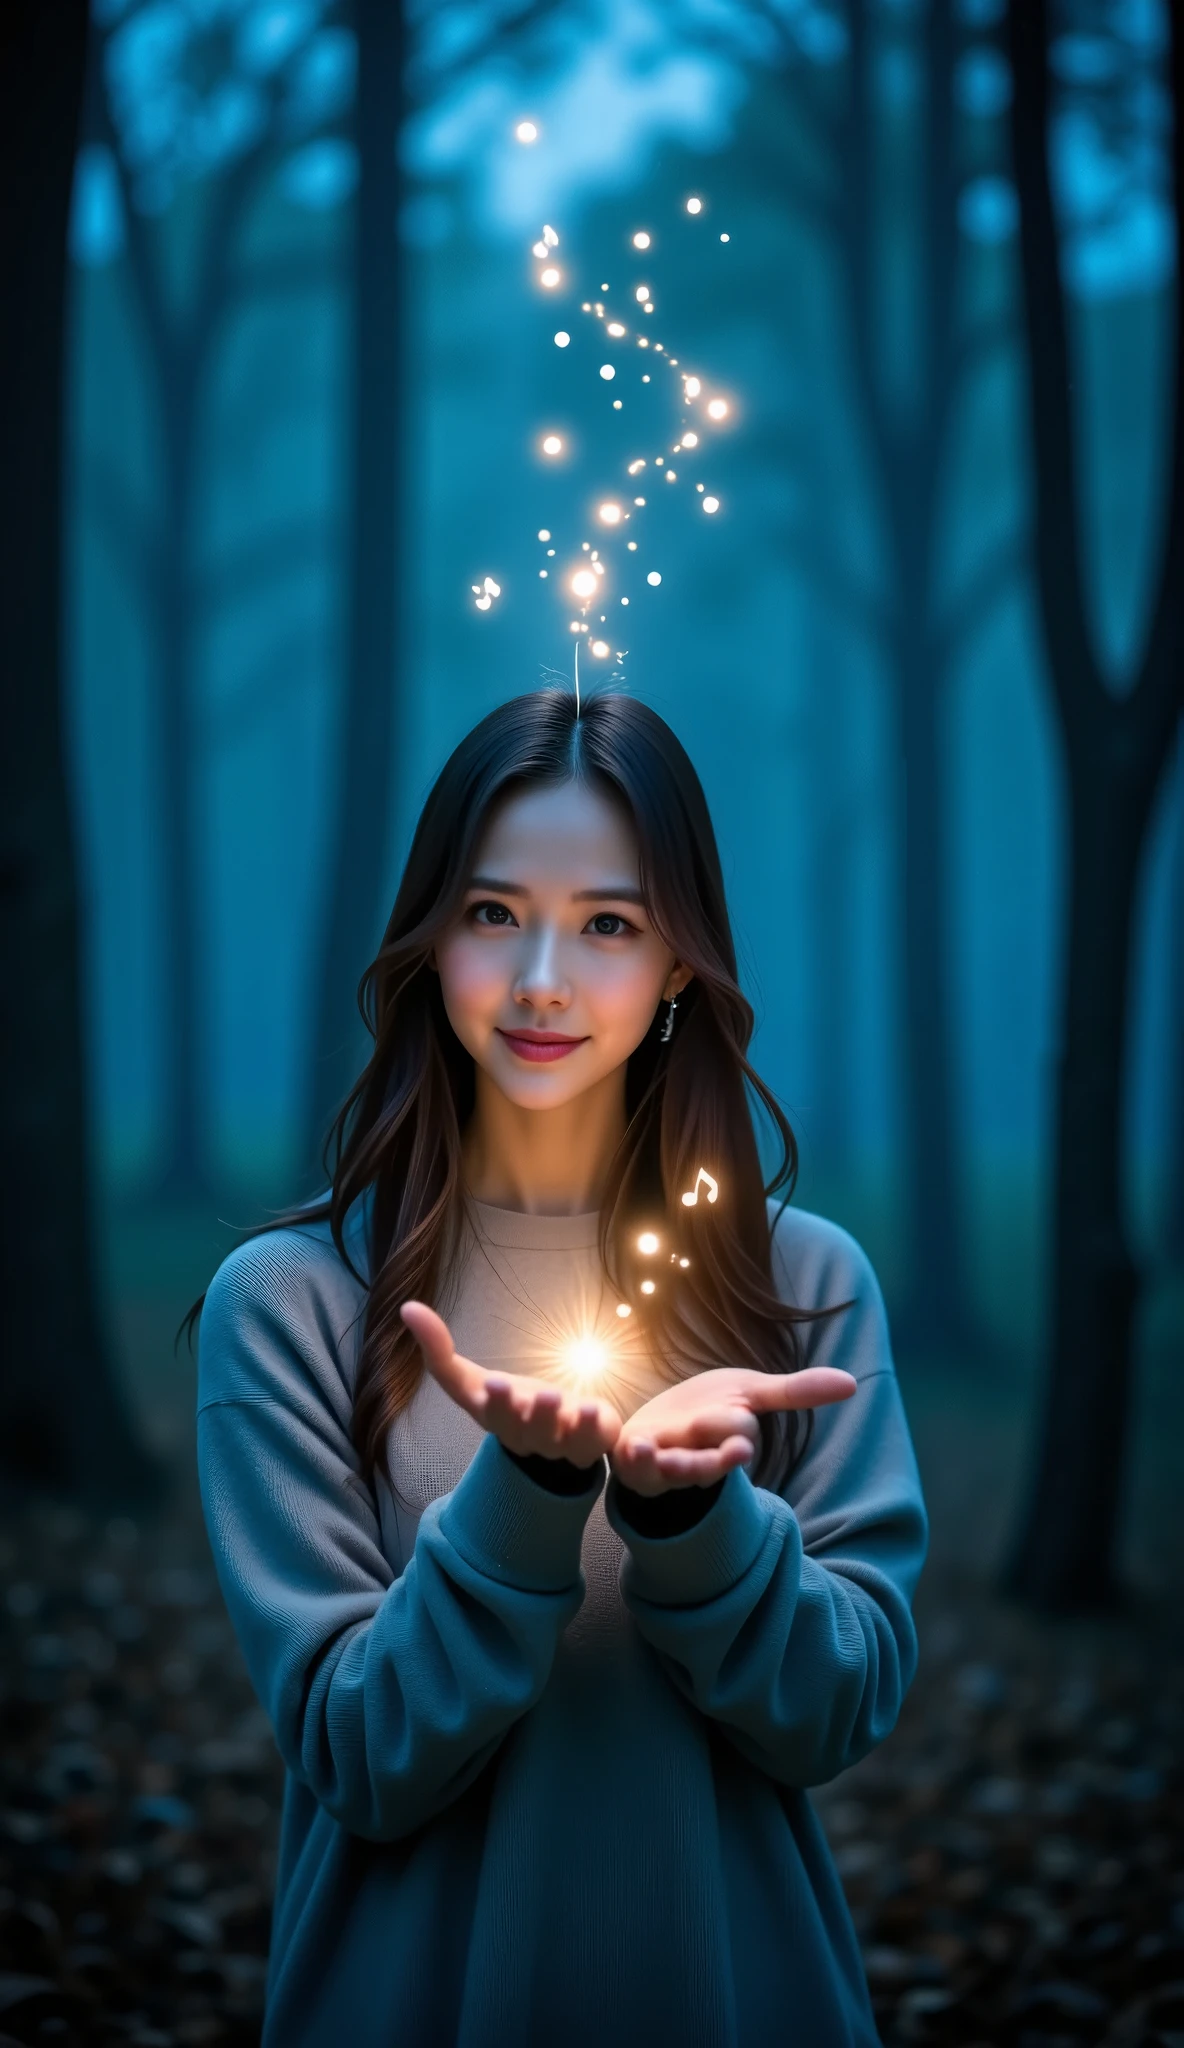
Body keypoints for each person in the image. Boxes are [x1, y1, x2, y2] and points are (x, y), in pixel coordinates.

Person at [187, 686, 928, 2048]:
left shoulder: (803, 1288)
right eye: (490, 913)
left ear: (681, 966)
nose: (540, 977)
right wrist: (527, 1492)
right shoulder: (291, 1304)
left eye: (607, 924)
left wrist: (692, 1520)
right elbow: (363, 1755)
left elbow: (838, 1714)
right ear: (427, 940)